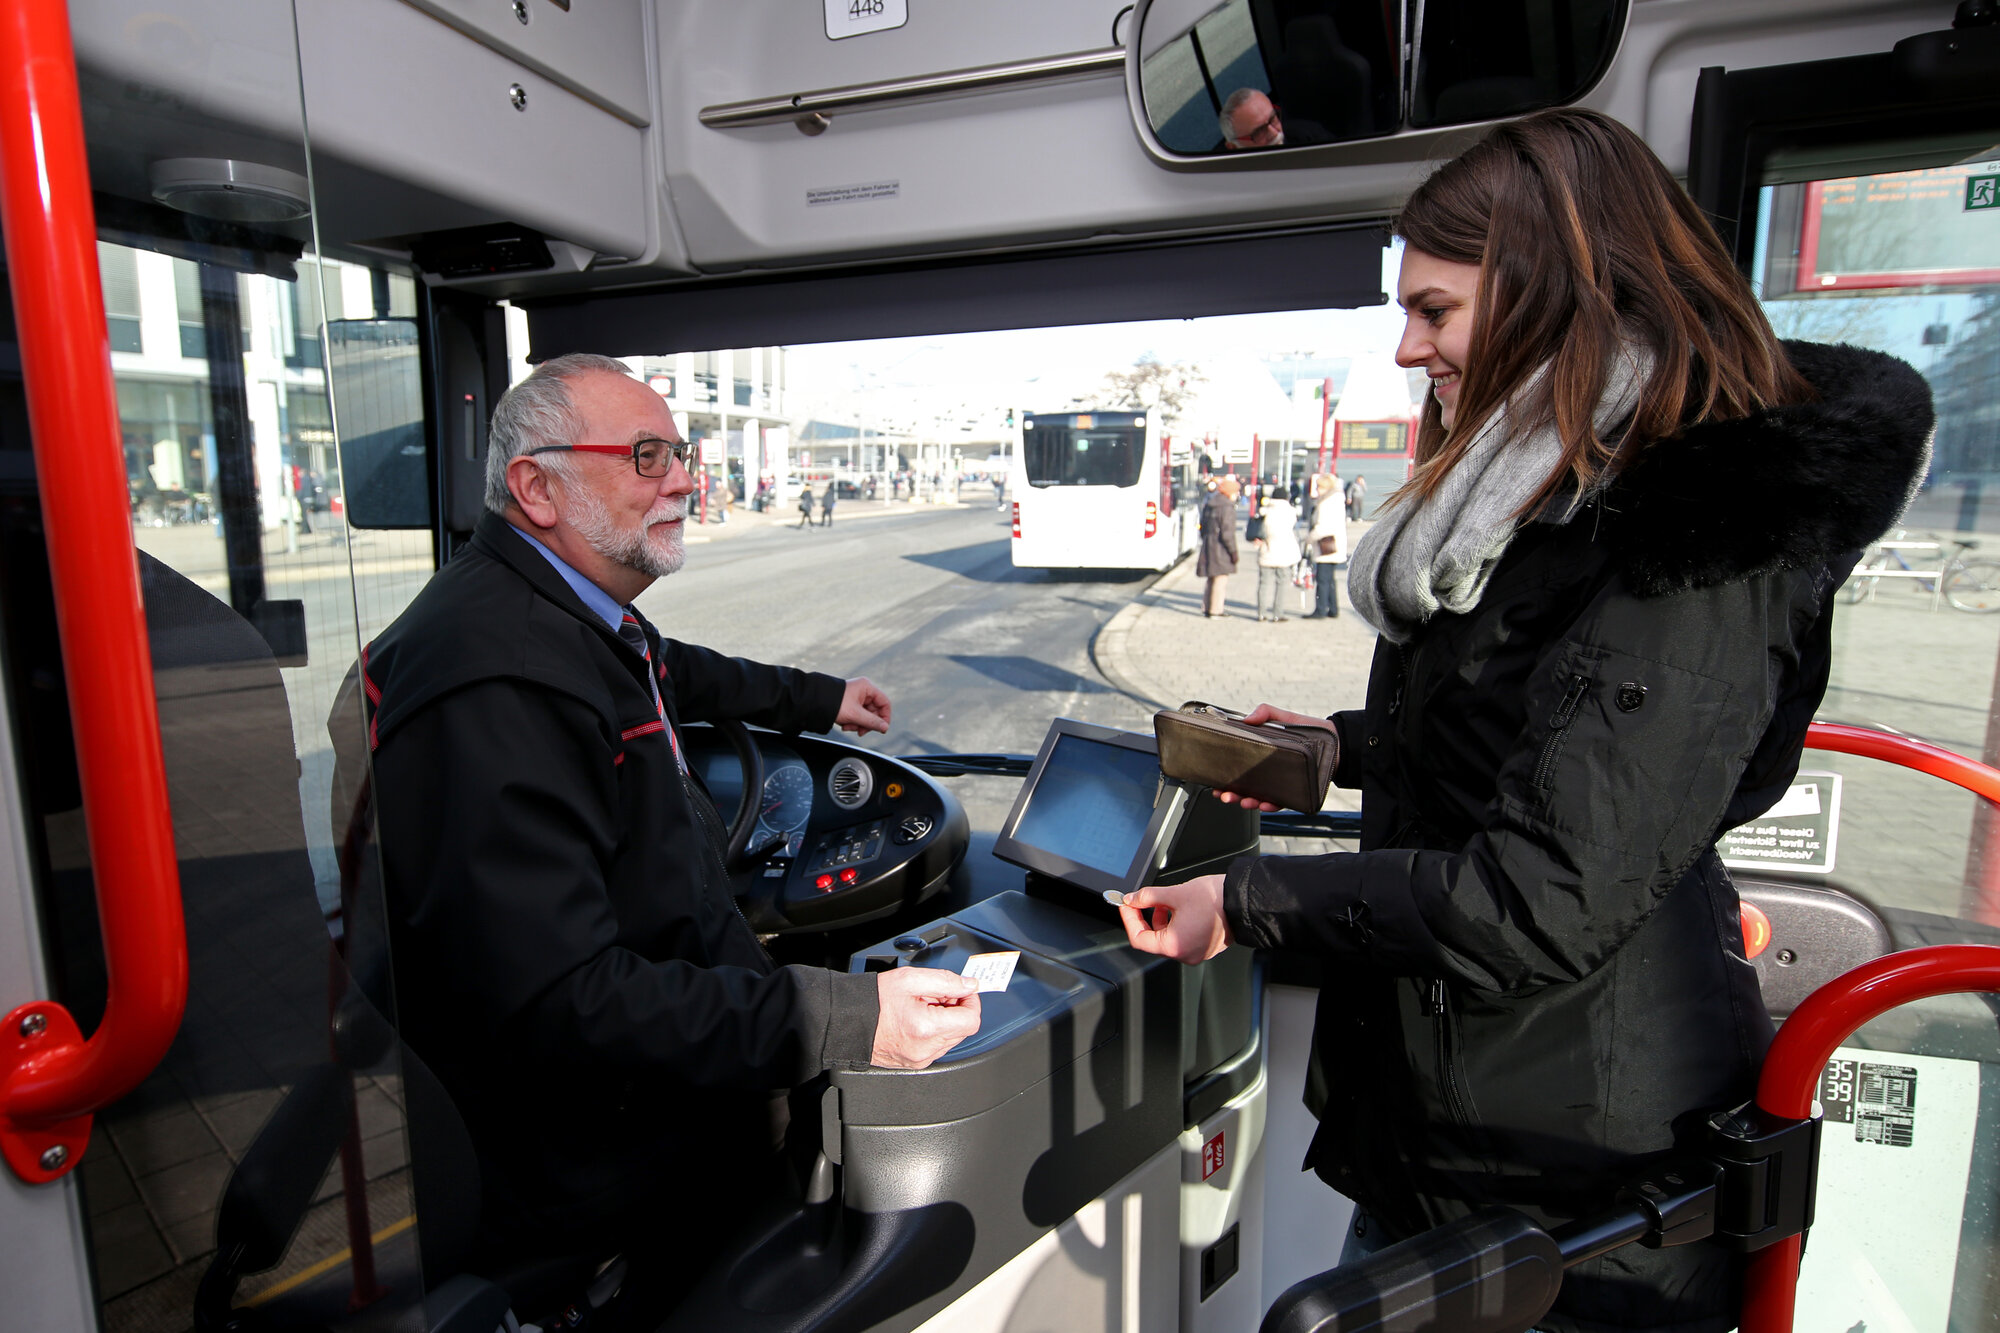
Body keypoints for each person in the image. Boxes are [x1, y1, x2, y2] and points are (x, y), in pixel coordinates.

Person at [1115, 107, 1932, 1333]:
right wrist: (1343, 748)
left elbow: (1540, 893)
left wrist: (1243, 903)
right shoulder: (1538, 492)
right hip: (1448, 1137)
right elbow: (1523, 731)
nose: (1403, 350)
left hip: (1574, 1183)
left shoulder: (1688, 533)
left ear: (1556, 288)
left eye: (1433, 311)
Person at [361, 354, 982, 1326]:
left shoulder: (573, 619)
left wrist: (818, 698)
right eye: (645, 456)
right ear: (536, 487)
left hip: (651, 1110)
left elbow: (671, 672)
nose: (685, 480)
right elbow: (559, 1002)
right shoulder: (499, 679)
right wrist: (843, 1018)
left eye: (679, 454)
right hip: (593, 1173)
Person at [1195, 474, 1240, 618]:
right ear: (1230, 492)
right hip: (1221, 548)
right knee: (1220, 579)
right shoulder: (1227, 507)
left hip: (1209, 544)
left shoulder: (1211, 503)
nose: (1237, 494)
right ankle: (1216, 610)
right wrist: (1233, 552)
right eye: (1236, 491)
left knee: (1211, 578)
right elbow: (1228, 533)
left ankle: (1206, 607)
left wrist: (1206, 538)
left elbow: (1202, 526)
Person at [1254, 485, 1300, 622]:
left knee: (1263, 584)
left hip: (1266, 550)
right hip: (1284, 552)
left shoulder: (1264, 512)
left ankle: (1261, 613)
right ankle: (1277, 613)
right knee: (1281, 584)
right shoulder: (1291, 512)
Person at [1305, 472, 1347, 618]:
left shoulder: (1326, 503)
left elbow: (1322, 527)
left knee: (1322, 579)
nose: (1317, 490)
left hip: (1326, 546)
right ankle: (1333, 608)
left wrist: (1309, 538)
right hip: (1335, 544)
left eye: (1319, 487)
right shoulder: (1337, 500)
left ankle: (1320, 609)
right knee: (1330, 579)